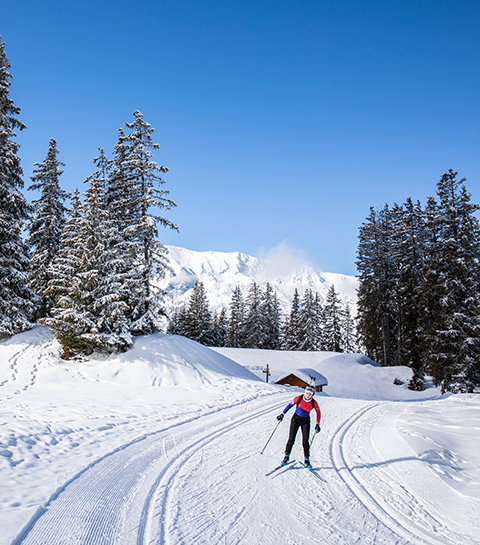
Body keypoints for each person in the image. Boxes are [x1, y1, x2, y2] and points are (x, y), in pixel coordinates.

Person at [276, 385, 321, 469]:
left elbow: (318, 412)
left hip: (306, 421)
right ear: (304, 392)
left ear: (312, 395)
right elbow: (289, 405)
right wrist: (282, 414)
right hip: (295, 420)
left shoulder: (313, 403)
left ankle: (307, 460)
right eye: (307, 393)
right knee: (291, 439)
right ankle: (286, 457)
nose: (308, 395)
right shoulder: (299, 398)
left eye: (310, 394)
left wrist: (317, 424)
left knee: (305, 441)